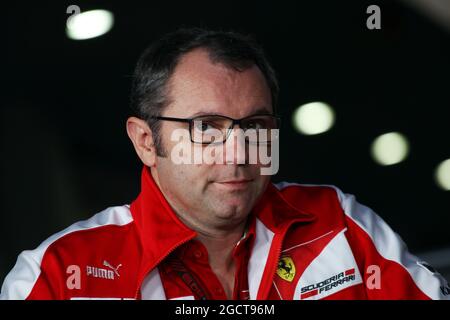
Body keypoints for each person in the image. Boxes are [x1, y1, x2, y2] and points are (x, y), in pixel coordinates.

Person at [1, 27, 449, 300]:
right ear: (145, 141)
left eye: (254, 125)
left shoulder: (342, 225)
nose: (237, 153)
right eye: (206, 128)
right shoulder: (58, 275)